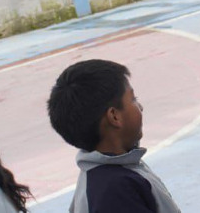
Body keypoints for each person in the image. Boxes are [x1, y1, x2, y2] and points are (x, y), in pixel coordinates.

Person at [47, 60, 181, 213]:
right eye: (133, 99)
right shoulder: (114, 191)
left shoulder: (113, 174)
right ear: (114, 116)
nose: (141, 107)